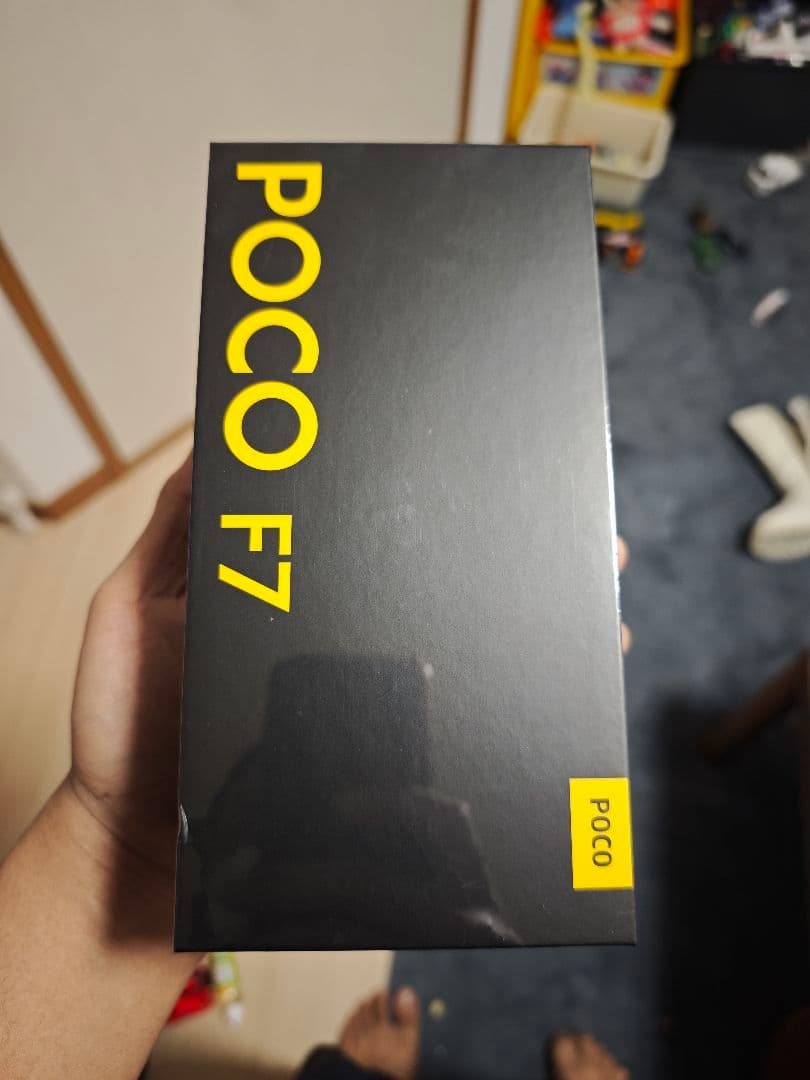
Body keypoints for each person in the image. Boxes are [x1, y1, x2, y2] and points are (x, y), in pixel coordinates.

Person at [0, 456, 631, 1079]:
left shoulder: (274, 791)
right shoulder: (398, 814)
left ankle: (362, 1070)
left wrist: (124, 845)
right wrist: (131, 846)